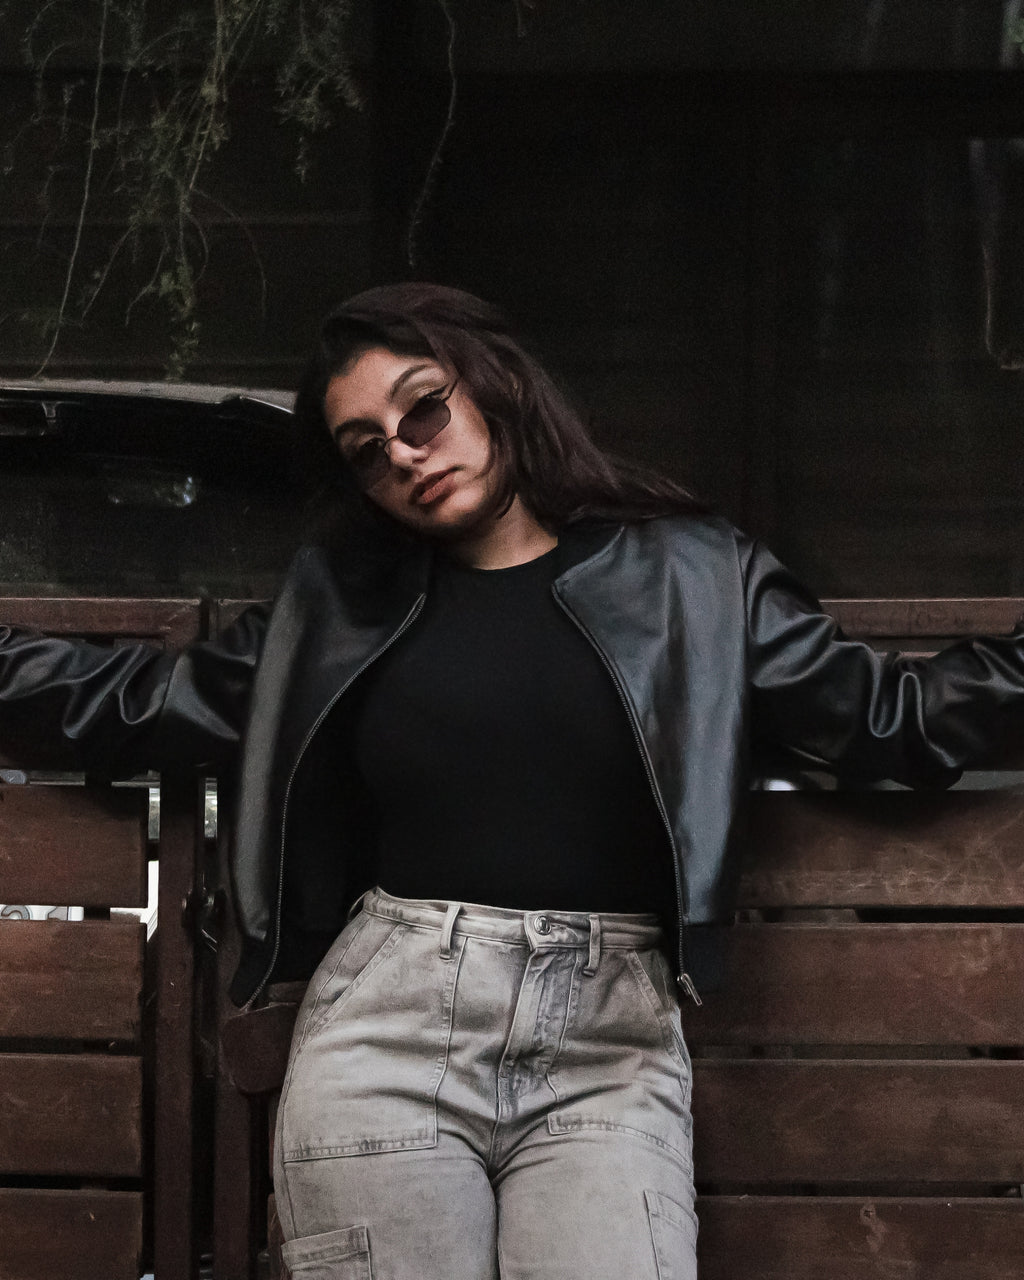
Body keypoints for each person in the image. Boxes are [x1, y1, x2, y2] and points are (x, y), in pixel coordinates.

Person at [2, 282, 1024, 1280]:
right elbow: (135, 702)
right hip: (388, 1032)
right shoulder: (340, 607)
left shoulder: (697, 578)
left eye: (423, 409)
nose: (405, 452)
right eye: (367, 451)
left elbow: (893, 720)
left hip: (610, 1049)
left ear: (498, 384)